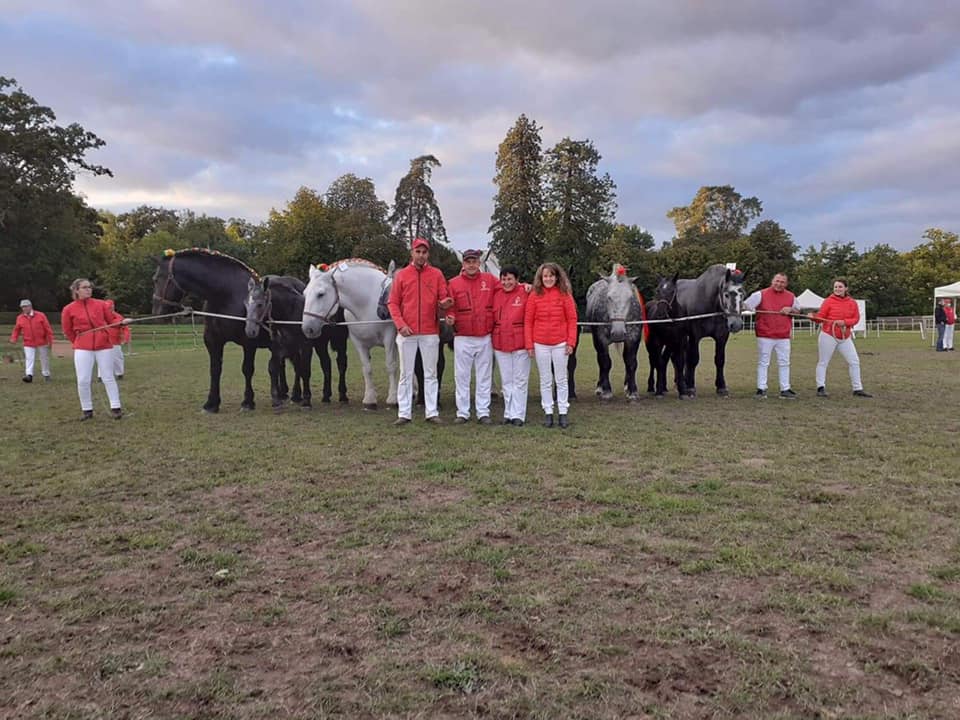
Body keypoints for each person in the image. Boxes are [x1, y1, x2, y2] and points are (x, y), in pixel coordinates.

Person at [387, 238, 453, 425]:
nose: (421, 255)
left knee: (430, 373)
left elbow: (444, 298)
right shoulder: (401, 275)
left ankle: (431, 412)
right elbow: (392, 302)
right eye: (418, 251)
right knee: (406, 374)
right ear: (412, 253)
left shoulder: (436, 274)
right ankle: (404, 413)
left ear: (428, 254)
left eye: (424, 252)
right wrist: (400, 325)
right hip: (407, 332)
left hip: (430, 332)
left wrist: (444, 305)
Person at [61, 278, 126, 420]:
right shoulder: (68, 309)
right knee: (83, 379)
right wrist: (79, 342)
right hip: (83, 347)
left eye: (89, 287)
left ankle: (116, 408)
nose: (88, 289)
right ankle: (87, 410)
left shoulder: (101, 304)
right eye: (84, 287)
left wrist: (121, 322)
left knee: (108, 376)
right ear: (76, 290)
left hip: (104, 345)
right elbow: (68, 330)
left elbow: (111, 320)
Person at [447, 249, 499, 424]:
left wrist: (525, 287)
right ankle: (463, 412)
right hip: (463, 336)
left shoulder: (490, 280)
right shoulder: (453, 283)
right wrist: (450, 316)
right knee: (461, 376)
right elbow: (450, 306)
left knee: (484, 376)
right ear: (463, 264)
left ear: (479, 263)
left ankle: (483, 412)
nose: (471, 265)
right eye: (468, 261)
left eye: (474, 261)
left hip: (484, 336)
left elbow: (508, 288)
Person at [525, 262, 578, 428]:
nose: (548, 279)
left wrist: (571, 342)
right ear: (541, 278)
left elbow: (572, 320)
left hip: (560, 343)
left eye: (551, 276)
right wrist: (529, 345)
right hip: (540, 343)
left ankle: (563, 412)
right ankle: (548, 412)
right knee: (545, 380)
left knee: (561, 379)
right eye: (545, 276)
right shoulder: (534, 295)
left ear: (557, 277)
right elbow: (528, 321)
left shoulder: (565, 294)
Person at [808, 278, 872, 398]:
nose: (837, 289)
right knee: (823, 362)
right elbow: (821, 317)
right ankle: (820, 387)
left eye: (840, 287)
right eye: (836, 287)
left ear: (846, 288)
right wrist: (813, 317)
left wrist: (844, 322)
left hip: (845, 337)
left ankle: (857, 388)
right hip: (828, 335)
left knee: (854, 361)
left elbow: (856, 318)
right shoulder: (828, 301)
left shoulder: (852, 303)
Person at [743, 273, 802, 400]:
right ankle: (761, 388)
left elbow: (798, 310)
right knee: (764, 362)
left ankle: (785, 389)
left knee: (784, 362)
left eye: (782, 282)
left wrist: (790, 310)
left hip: (783, 335)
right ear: (772, 281)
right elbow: (746, 305)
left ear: (786, 284)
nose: (779, 284)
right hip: (765, 334)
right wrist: (752, 309)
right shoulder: (760, 294)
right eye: (777, 281)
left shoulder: (791, 296)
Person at [492, 265, 530, 426]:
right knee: (506, 380)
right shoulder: (496, 294)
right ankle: (508, 412)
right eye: (504, 279)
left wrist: (529, 286)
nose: (506, 282)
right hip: (501, 342)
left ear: (517, 280)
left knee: (520, 379)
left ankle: (518, 414)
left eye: (510, 279)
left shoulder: (525, 292)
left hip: (520, 341)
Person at [10, 299, 54, 383]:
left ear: (30, 306)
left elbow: (47, 328)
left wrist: (51, 340)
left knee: (44, 358)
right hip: (28, 342)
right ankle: (29, 375)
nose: (24, 308)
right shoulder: (20, 318)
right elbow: (16, 330)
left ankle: (46, 374)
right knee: (29, 358)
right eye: (22, 307)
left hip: (42, 341)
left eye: (26, 306)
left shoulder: (41, 315)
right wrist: (14, 338)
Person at [104, 299, 130, 379]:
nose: (110, 308)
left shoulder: (118, 317)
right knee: (103, 359)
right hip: (103, 341)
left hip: (115, 341)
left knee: (117, 357)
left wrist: (126, 338)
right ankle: (101, 376)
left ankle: (119, 374)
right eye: (108, 307)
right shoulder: (101, 316)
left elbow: (125, 328)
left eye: (111, 306)